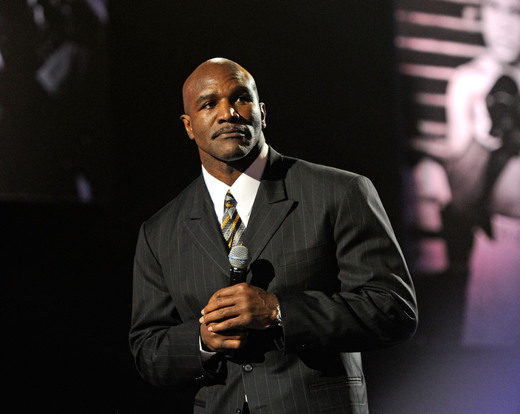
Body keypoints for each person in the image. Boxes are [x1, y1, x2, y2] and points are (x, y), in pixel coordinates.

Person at [129, 57, 418, 413]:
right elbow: (148, 351)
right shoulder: (159, 232)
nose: (228, 113)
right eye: (209, 104)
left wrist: (280, 312)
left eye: (240, 98)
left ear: (262, 113)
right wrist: (202, 341)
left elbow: (393, 309)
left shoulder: (339, 192)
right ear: (189, 126)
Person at [411, 0, 520, 346]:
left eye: (516, 12)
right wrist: (484, 139)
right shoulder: (468, 82)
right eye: (495, 9)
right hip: (498, 250)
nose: (504, 24)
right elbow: (462, 197)